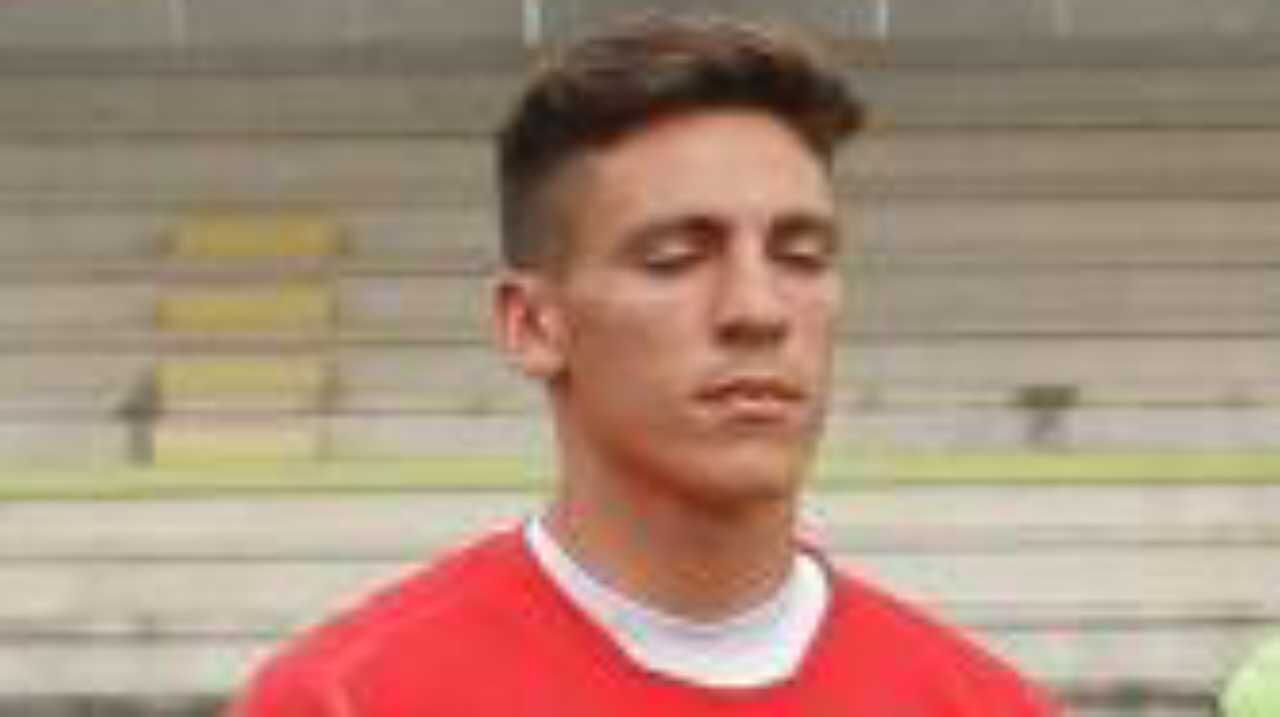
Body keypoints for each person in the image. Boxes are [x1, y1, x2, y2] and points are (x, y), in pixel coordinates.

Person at [229, 15, 1059, 715]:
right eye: (675, 259)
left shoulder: (983, 704)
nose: (757, 309)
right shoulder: (351, 699)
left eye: (800, 256)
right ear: (532, 323)